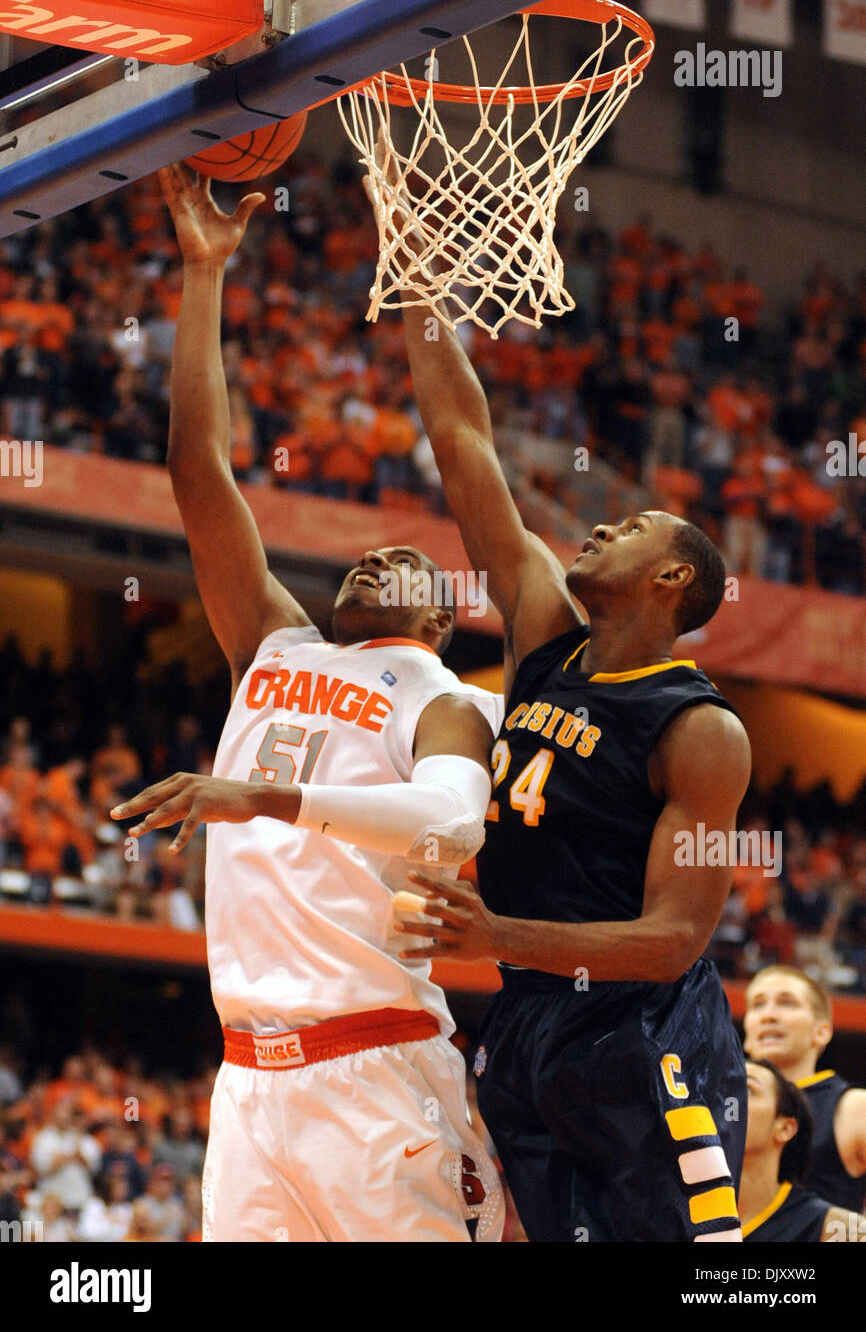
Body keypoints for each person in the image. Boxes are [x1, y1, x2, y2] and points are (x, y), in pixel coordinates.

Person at [111, 164, 503, 1243]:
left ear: (440, 621)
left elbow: (450, 822)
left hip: (378, 1070)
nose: (380, 553)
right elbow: (199, 470)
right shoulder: (274, 641)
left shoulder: (444, 696)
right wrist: (203, 274)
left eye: (409, 560)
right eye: (366, 554)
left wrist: (261, 797)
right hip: (246, 1078)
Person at [374, 173, 751, 1242]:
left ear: (672, 580)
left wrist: (499, 929)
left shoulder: (696, 726)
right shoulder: (547, 636)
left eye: (629, 527)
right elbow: (462, 444)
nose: (595, 529)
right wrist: (413, 271)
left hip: (640, 1028)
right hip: (529, 1010)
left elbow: (675, 937)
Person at [744, 966, 866, 1212]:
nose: (768, 1015)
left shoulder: (853, 1106)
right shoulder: (723, 1103)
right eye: (758, 1005)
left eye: (787, 1003)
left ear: (821, 1032)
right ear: (747, 1034)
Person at [740, 1059, 865, 1241]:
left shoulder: (838, 1230)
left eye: (747, 1088)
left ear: (785, 1128)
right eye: (718, 1086)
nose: (727, 1101)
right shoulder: (684, 1216)